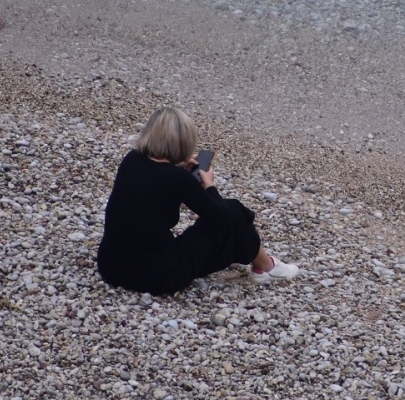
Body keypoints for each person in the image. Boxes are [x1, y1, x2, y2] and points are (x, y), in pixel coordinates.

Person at [97, 107, 299, 295]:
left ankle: (256, 258)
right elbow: (221, 218)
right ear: (184, 142)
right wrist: (209, 185)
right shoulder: (177, 179)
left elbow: (156, 182)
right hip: (156, 276)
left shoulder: (132, 159)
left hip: (111, 267)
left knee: (228, 215)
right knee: (234, 211)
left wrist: (177, 167)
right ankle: (267, 267)